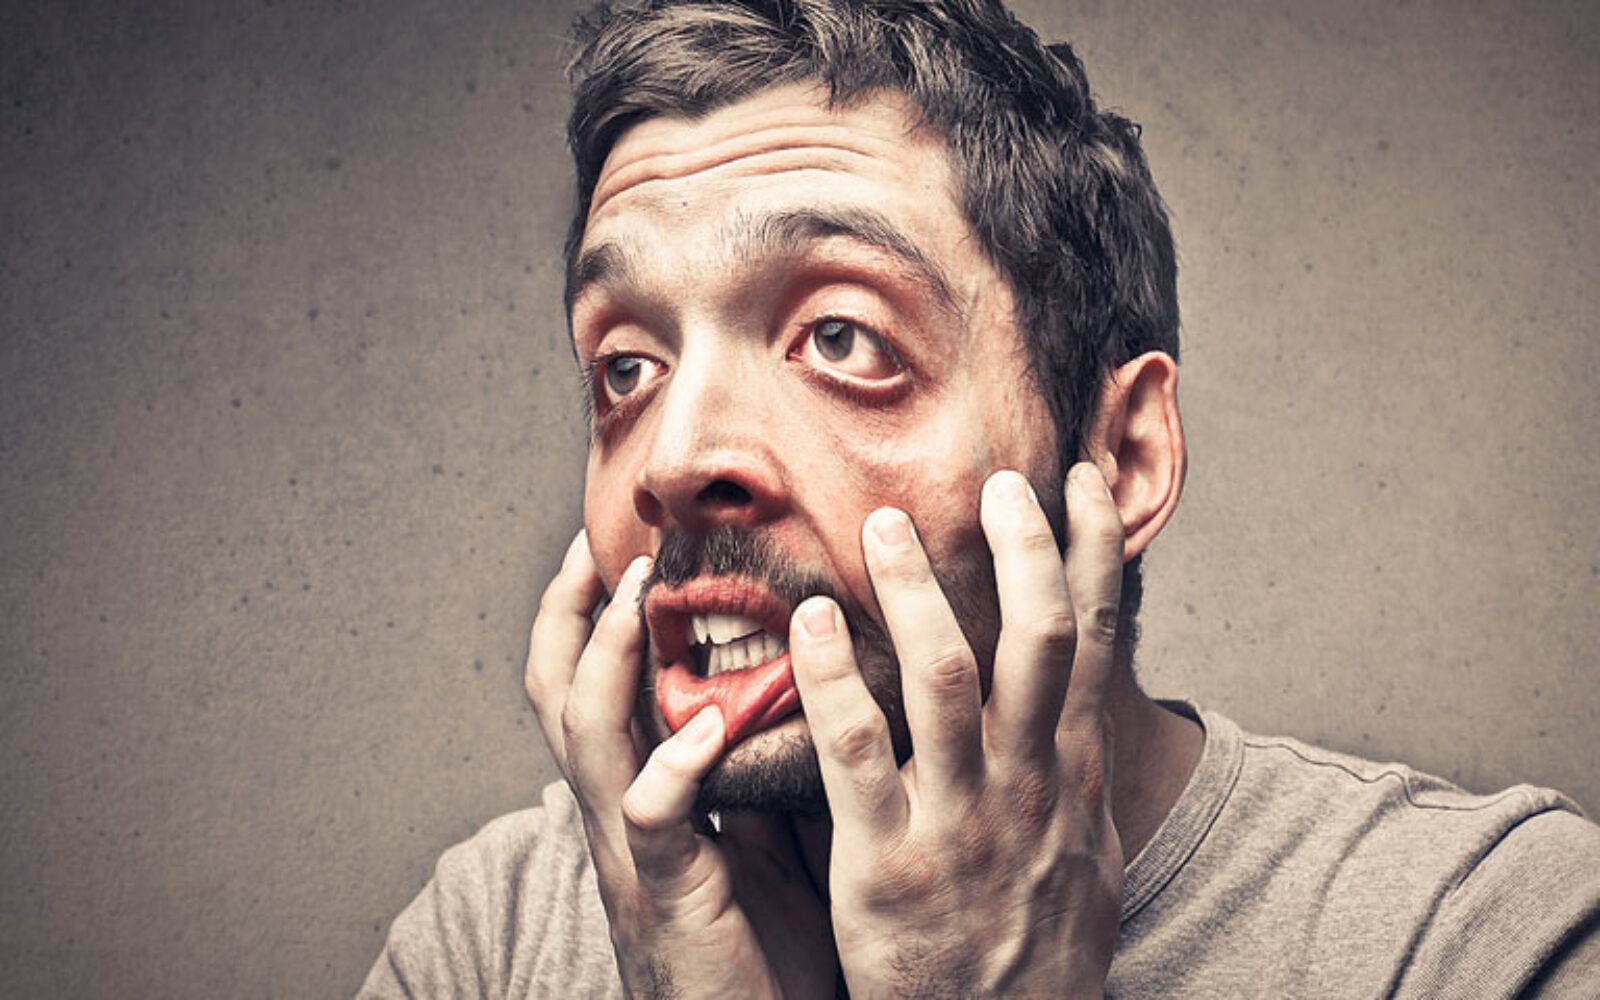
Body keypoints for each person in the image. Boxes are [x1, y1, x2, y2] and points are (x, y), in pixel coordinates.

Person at [361, 0, 1600, 995]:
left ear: (1121, 459)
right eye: (627, 368)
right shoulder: (493, 936)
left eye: (841, 339)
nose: (671, 460)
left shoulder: (1486, 937)